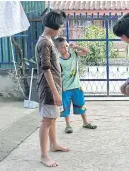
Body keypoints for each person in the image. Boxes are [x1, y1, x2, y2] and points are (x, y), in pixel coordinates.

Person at [35, 10, 69, 167]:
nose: (60, 30)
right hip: (49, 89)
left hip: (54, 87)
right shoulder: (44, 43)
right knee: (47, 120)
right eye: (60, 27)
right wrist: (55, 93)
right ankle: (44, 155)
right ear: (53, 27)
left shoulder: (49, 40)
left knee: (53, 118)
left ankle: (54, 144)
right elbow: (46, 68)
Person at [54, 37, 97, 134]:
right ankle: (68, 125)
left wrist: (76, 46)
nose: (65, 48)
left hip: (77, 86)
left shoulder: (74, 54)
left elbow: (87, 51)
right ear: (58, 49)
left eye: (66, 45)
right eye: (62, 47)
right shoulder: (58, 60)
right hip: (65, 88)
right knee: (65, 107)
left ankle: (85, 123)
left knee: (81, 105)